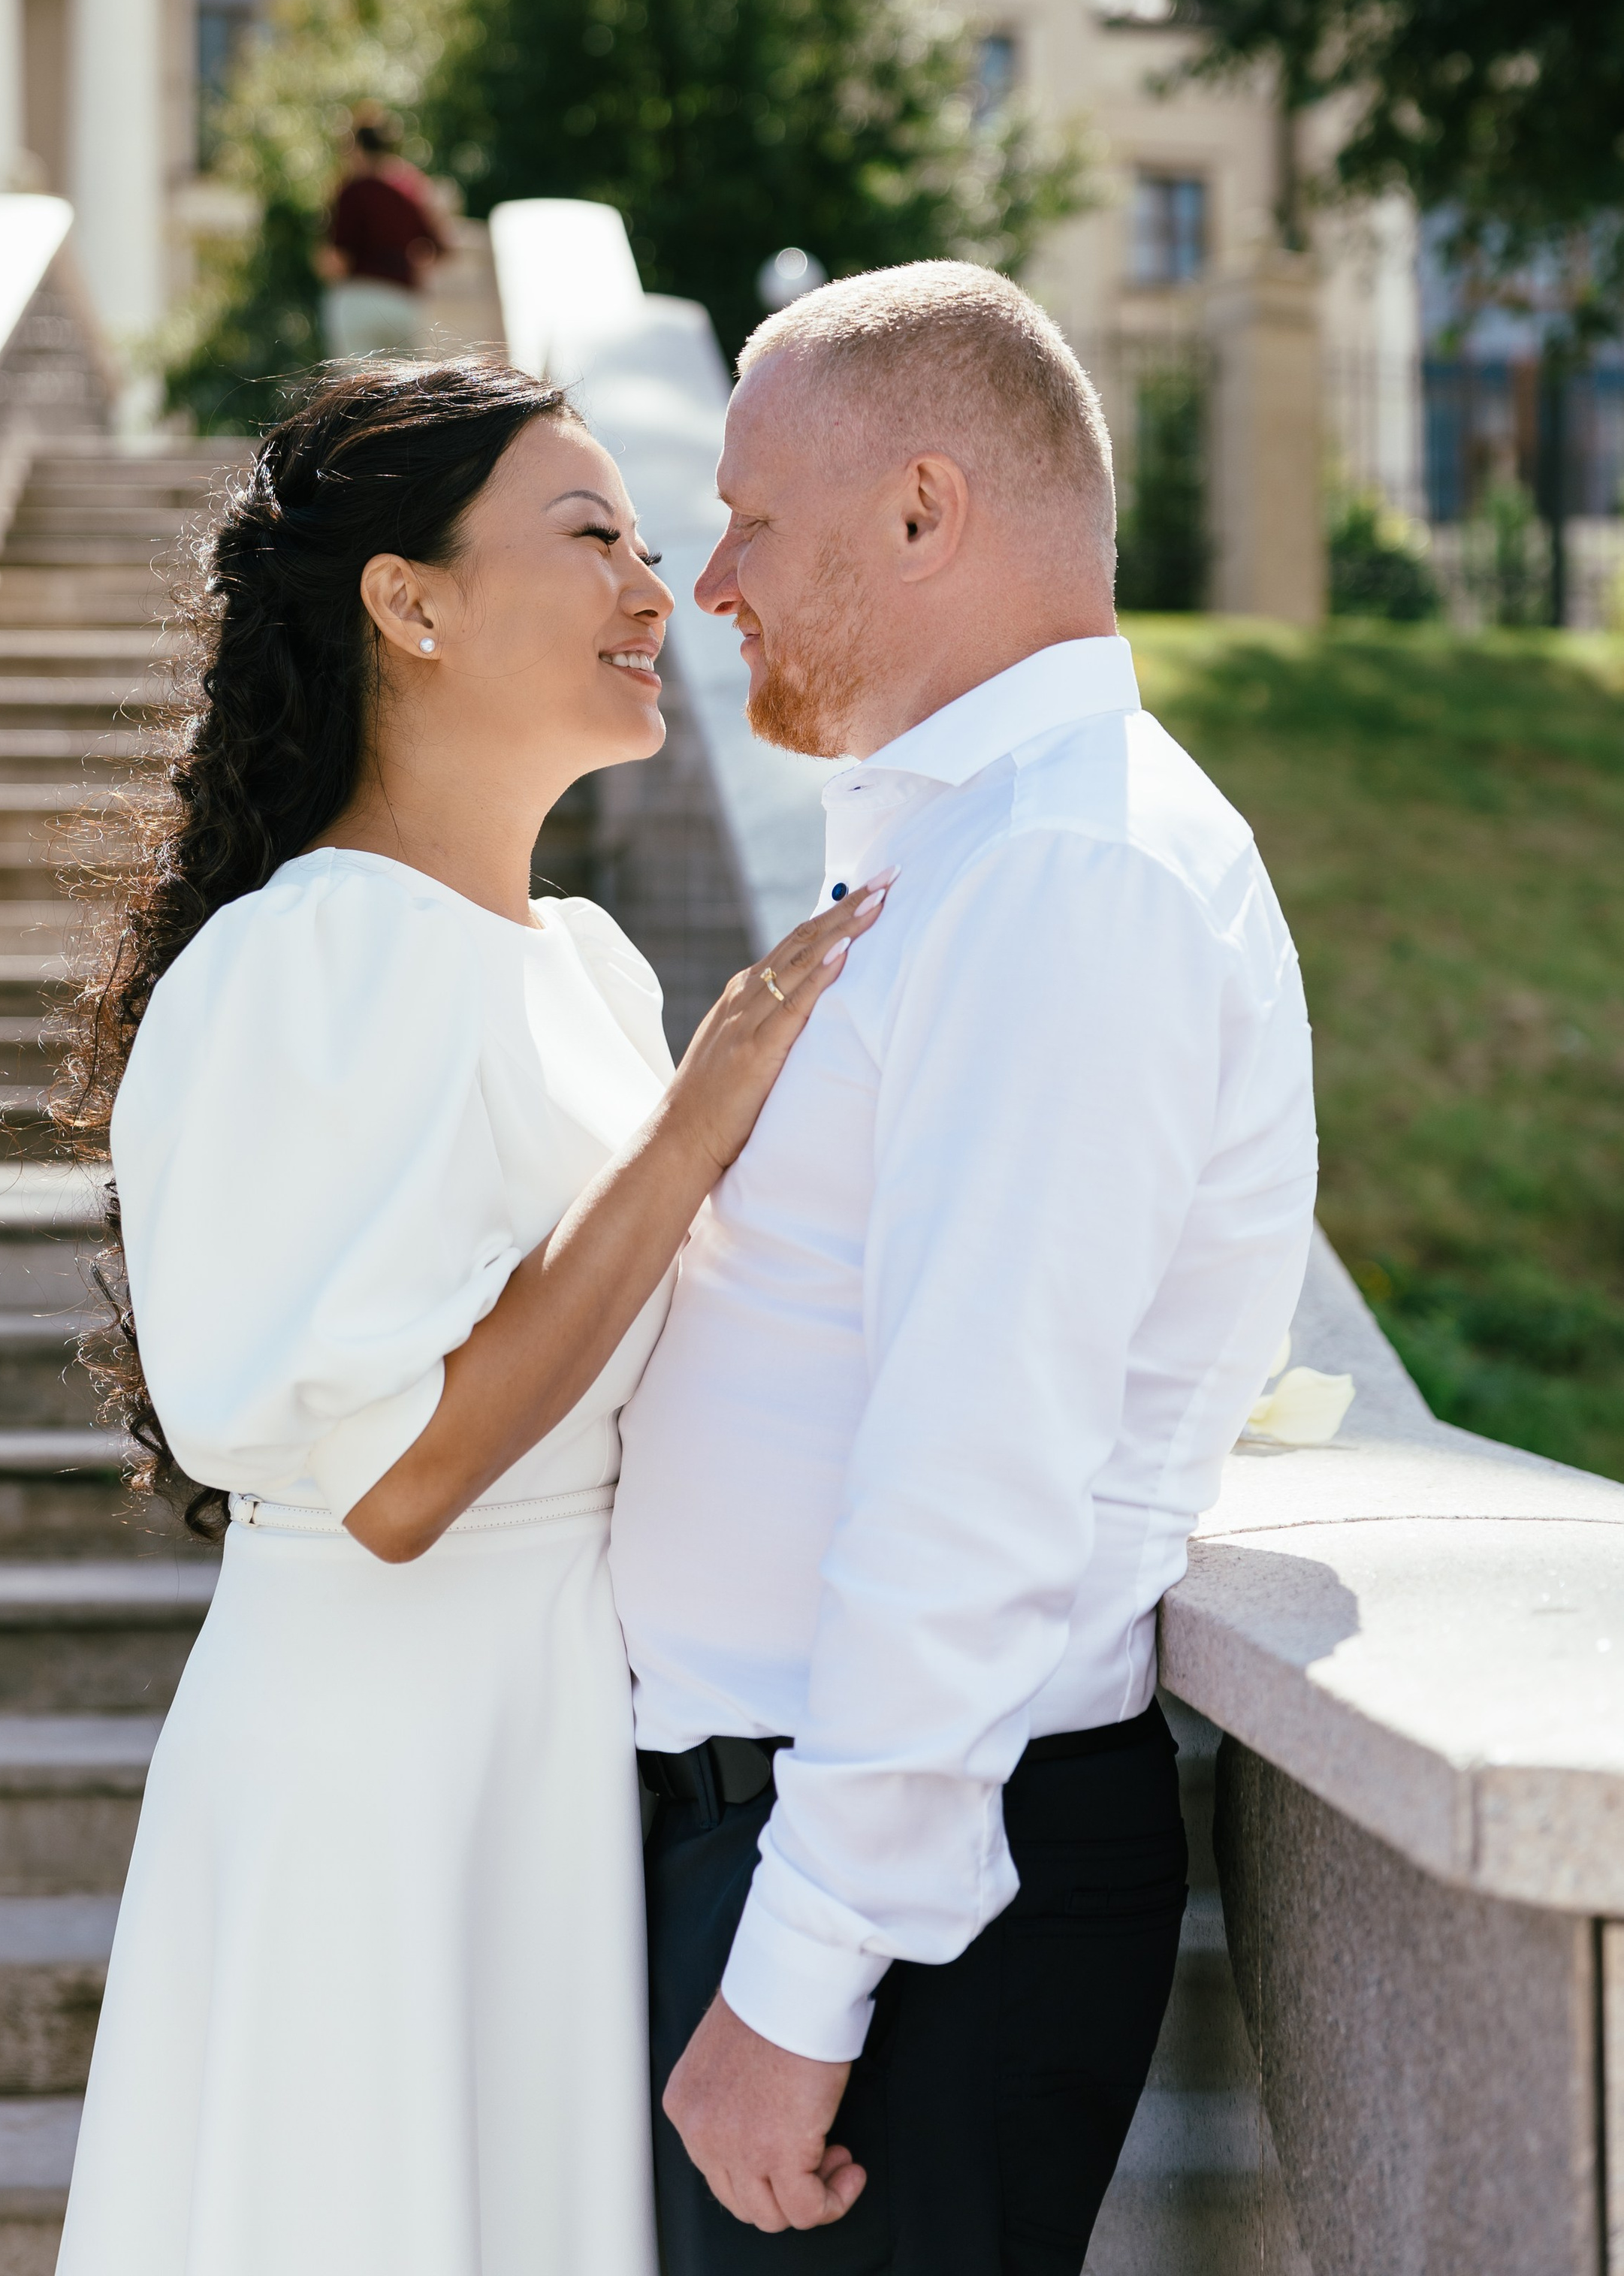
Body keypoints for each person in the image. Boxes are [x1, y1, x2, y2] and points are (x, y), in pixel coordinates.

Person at [53, 358, 886, 2276]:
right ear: (406, 601)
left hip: (552, 1757)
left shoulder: (580, 967)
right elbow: (405, 1476)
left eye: (649, 541)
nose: (652, 591)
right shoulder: (308, 956)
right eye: (590, 534)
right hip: (377, 1769)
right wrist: (701, 1112)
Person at [611, 261, 1319, 2275]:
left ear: (925, 512)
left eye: (752, 513)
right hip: (806, 1853)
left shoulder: (1065, 872)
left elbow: (977, 1477)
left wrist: (791, 1988)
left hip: (885, 1908)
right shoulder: (964, 842)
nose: (708, 574)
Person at [313, 108, 448, 367]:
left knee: (356, 395)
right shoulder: (410, 187)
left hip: (358, 300)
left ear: (357, 147)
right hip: (404, 302)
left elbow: (338, 262)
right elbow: (440, 246)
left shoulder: (353, 189)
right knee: (407, 397)